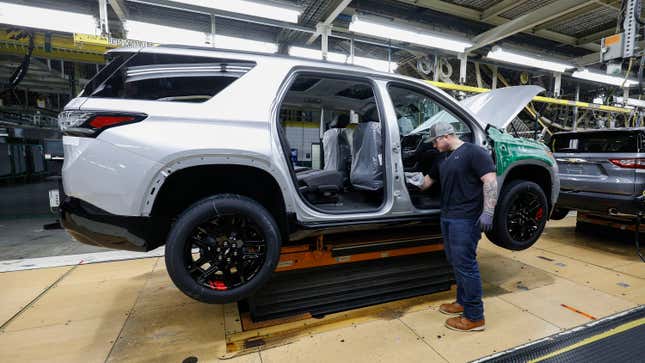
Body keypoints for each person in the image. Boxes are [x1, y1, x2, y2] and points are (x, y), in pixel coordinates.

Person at [415, 121, 498, 332]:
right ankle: (462, 302)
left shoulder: (474, 153)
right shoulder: (442, 159)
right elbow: (426, 183)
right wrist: (408, 178)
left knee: (466, 265)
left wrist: (488, 212)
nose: (433, 145)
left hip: (466, 219)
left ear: (445, 137)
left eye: (435, 141)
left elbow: (490, 182)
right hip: (448, 217)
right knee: (456, 262)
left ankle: (474, 317)